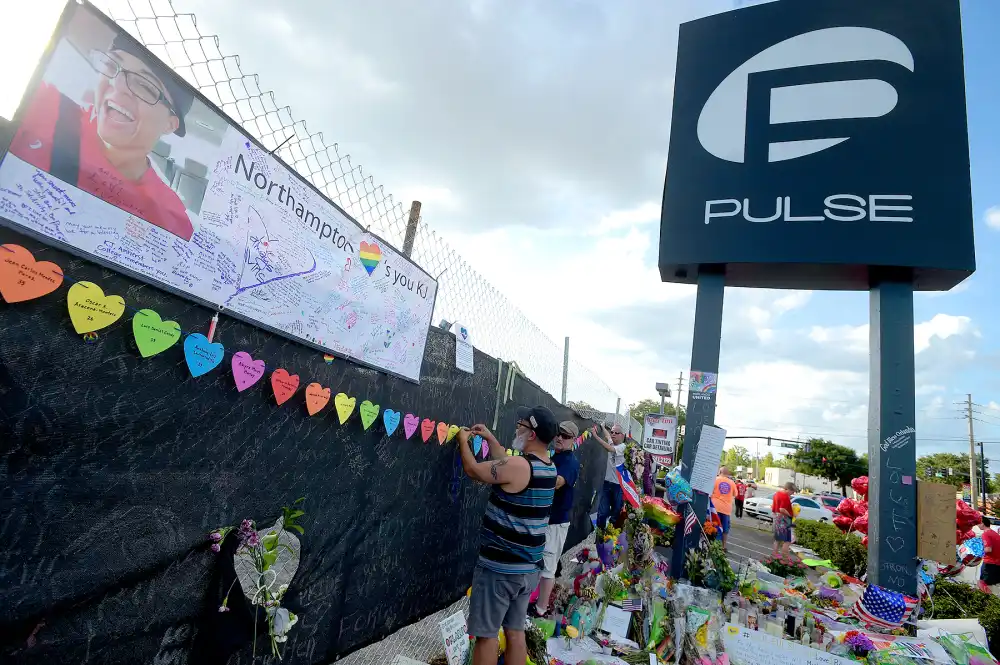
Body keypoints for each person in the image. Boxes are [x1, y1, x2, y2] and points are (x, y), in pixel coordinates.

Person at [10, 33, 195, 240]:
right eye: (111, 66)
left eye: (145, 86)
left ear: (170, 124)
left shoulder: (171, 216)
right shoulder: (45, 109)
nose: (118, 85)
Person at [457, 406, 558, 665]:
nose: (517, 428)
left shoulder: (519, 465)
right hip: (527, 570)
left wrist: (461, 441)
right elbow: (508, 466)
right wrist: (491, 440)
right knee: (515, 630)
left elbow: (474, 470)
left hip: (501, 569)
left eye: (521, 424)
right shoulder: (548, 468)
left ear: (532, 434)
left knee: (486, 635)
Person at [531, 421, 580, 617]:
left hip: (556, 522)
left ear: (573, 440)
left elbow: (557, 482)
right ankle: (533, 602)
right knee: (538, 563)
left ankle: (541, 609)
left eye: (566, 436)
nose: (560, 438)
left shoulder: (570, 462)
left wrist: (527, 475)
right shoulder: (554, 457)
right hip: (544, 520)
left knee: (548, 567)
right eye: (559, 434)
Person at [592, 423, 627, 529]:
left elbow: (610, 449)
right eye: (612, 432)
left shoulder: (622, 447)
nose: (613, 434)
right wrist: (603, 427)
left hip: (619, 485)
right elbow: (608, 436)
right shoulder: (612, 442)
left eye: (617, 433)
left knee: (616, 512)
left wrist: (596, 436)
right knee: (602, 512)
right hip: (607, 483)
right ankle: (600, 536)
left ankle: (612, 536)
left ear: (622, 435)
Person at [711, 466, 735, 550]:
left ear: (720, 472)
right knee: (725, 529)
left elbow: (710, 491)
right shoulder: (732, 482)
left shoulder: (715, 480)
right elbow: (735, 494)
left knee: (714, 526)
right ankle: (723, 546)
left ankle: (714, 545)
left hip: (715, 507)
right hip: (726, 509)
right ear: (727, 473)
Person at [772, 481, 796, 557]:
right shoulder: (785, 496)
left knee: (777, 539)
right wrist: (791, 515)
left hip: (777, 517)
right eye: (792, 491)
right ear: (788, 489)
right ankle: (784, 558)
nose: (793, 493)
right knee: (787, 541)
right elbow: (782, 509)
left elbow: (773, 507)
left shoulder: (777, 494)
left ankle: (775, 555)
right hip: (784, 519)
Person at [982, 517, 1000, 595]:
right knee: (995, 584)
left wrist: (978, 551)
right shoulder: (995, 533)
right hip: (997, 563)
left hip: (989, 563)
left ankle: (988, 603)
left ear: (982, 524)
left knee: (986, 585)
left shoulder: (985, 534)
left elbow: (988, 549)